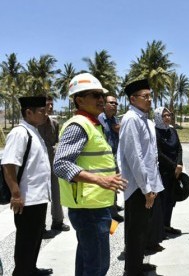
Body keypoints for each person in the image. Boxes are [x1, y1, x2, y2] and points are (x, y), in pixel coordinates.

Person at [54, 73, 127, 276]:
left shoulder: (94, 124)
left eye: (102, 95)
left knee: (88, 262)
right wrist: (100, 179)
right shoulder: (79, 125)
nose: (101, 100)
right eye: (95, 95)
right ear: (79, 100)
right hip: (88, 209)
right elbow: (60, 164)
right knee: (98, 266)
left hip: (95, 205)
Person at [2, 96, 53, 276]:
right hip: (26, 199)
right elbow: (8, 165)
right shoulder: (19, 133)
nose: (45, 114)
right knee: (26, 241)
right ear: (28, 112)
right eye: (41, 111)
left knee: (35, 238)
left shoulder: (34, 131)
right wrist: (16, 195)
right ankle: (22, 272)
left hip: (38, 197)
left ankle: (30, 269)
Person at [117, 79, 164, 275]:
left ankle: (137, 263)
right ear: (132, 99)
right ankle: (132, 270)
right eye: (145, 97)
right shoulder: (131, 119)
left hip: (148, 185)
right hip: (137, 187)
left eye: (150, 96)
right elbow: (134, 156)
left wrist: (152, 185)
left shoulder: (145, 120)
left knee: (143, 230)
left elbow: (150, 154)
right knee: (135, 231)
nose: (149, 100)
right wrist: (146, 189)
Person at [37, 95, 70, 235]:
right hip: (37, 163)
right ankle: (40, 227)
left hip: (52, 160)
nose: (50, 107)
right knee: (40, 195)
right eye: (47, 105)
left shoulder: (54, 123)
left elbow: (56, 141)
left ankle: (57, 221)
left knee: (57, 193)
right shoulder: (34, 124)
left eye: (51, 104)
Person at [154, 107, 183, 235]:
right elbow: (158, 153)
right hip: (162, 170)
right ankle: (159, 229)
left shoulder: (172, 130)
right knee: (162, 200)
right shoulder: (155, 132)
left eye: (169, 115)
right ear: (158, 117)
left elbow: (179, 148)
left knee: (172, 199)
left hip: (175, 171)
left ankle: (167, 225)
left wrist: (179, 164)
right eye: (164, 115)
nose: (167, 117)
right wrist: (174, 165)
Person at [98, 94, 124, 223]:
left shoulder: (116, 120)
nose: (114, 105)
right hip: (102, 158)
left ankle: (112, 206)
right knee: (107, 184)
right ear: (104, 105)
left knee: (115, 183)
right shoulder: (100, 119)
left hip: (114, 156)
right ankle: (111, 212)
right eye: (111, 103)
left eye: (116, 103)